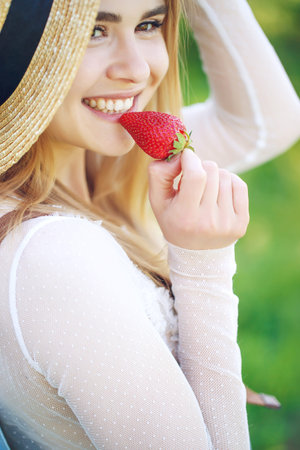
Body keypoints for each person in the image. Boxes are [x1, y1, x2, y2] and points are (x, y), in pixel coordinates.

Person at [0, 0, 299, 448]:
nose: (136, 68)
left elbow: (266, 122)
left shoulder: (104, 169)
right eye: (93, 32)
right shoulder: (52, 255)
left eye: (149, 24)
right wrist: (203, 262)